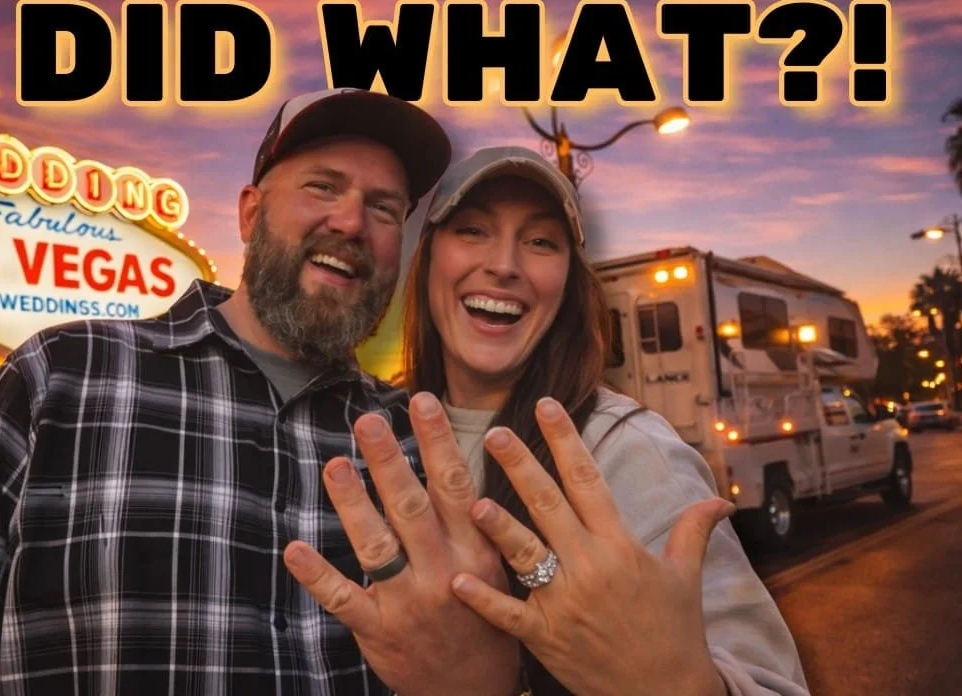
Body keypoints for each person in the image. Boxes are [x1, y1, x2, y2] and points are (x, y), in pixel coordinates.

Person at [0, 89, 526, 696]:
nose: (350, 222)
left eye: (383, 208)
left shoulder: (413, 441)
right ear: (250, 213)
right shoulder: (63, 375)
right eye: (323, 186)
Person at [290, 145, 810, 695]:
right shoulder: (373, 429)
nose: (505, 265)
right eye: (471, 230)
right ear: (428, 259)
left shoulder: (620, 447)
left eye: (540, 242)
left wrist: (685, 684)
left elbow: (773, 682)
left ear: (567, 285)